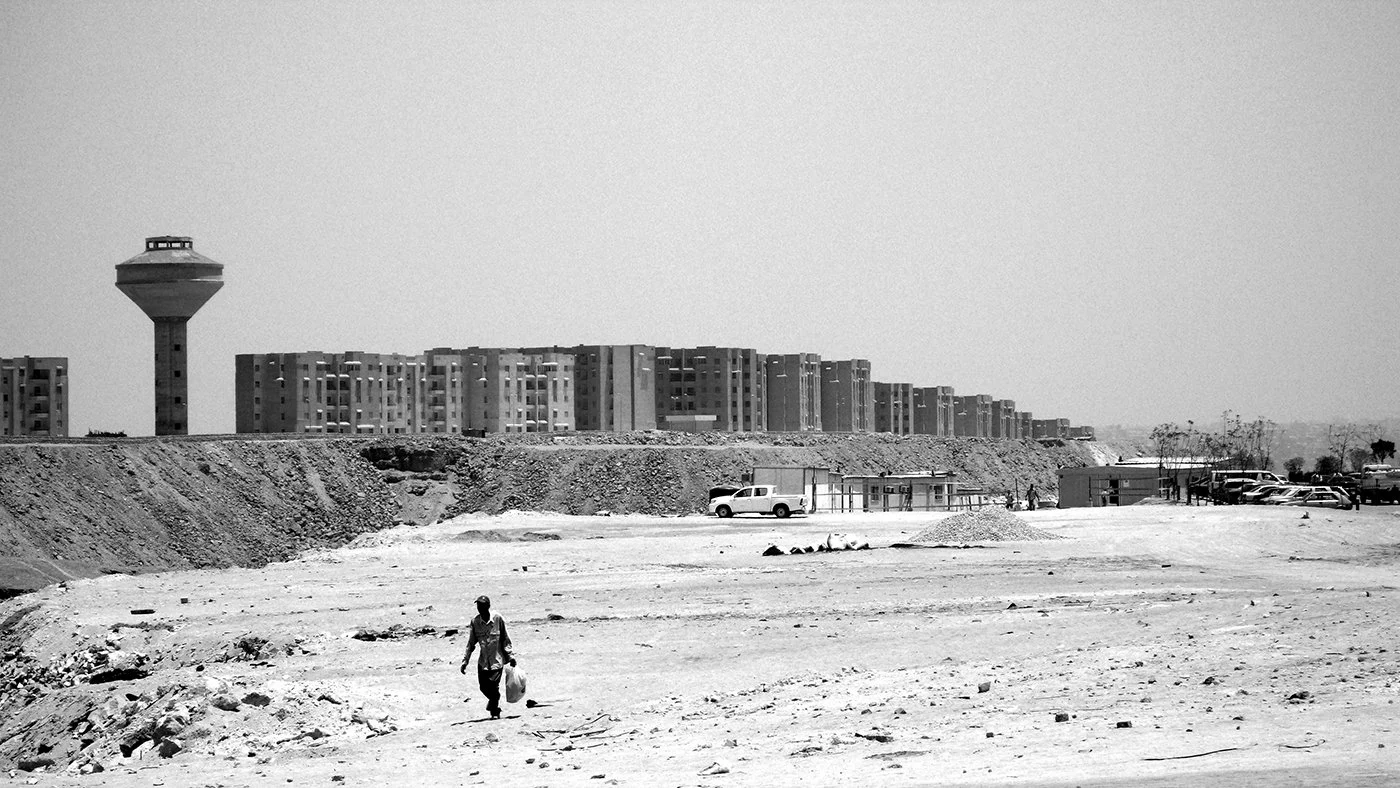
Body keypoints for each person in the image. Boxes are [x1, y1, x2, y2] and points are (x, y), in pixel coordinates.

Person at [460, 595, 515, 719]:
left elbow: (505, 639)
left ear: (488, 606)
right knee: (483, 688)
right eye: (478, 606)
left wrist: (511, 656)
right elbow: (471, 643)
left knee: (494, 687)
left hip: (497, 661)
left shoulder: (498, 619)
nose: (480, 608)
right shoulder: (475, 622)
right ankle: (494, 702)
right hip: (483, 662)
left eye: (482, 606)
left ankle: (494, 711)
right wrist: (465, 661)